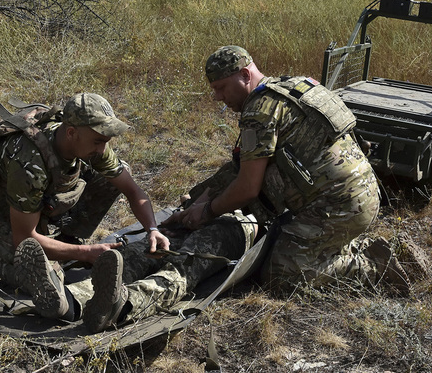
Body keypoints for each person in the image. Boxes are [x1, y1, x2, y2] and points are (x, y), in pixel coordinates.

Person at [163, 45, 410, 295]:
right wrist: (198, 198)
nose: (217, 97)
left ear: (245, 76)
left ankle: (374, 266)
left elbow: (247, 188)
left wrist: (207, 211)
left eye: (221, 87)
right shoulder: (290, 87)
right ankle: (349, 246)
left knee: (283, 275)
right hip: (363, 191)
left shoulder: (259, 112)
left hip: (338, 205)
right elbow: (241, 167)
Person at [0, 92, 170, 319]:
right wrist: (86, 254)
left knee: (114, 174)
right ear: (71, 133)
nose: (101, 149)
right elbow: (24, 238)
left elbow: (132, 190)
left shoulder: (90, 141)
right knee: (40, 272)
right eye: (98, 141)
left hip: (33, 201)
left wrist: (152, 229)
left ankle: (68, 241)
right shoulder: (30, 166)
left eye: (105, 141)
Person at [18, 209, 256, 332]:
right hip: (192, 220)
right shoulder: (237, 160)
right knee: (135, 254)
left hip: (235, 226)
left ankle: (122, 306)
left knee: (182, 268)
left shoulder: (261, 152)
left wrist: (207, 208)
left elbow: (249, 193)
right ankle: (69, 302)